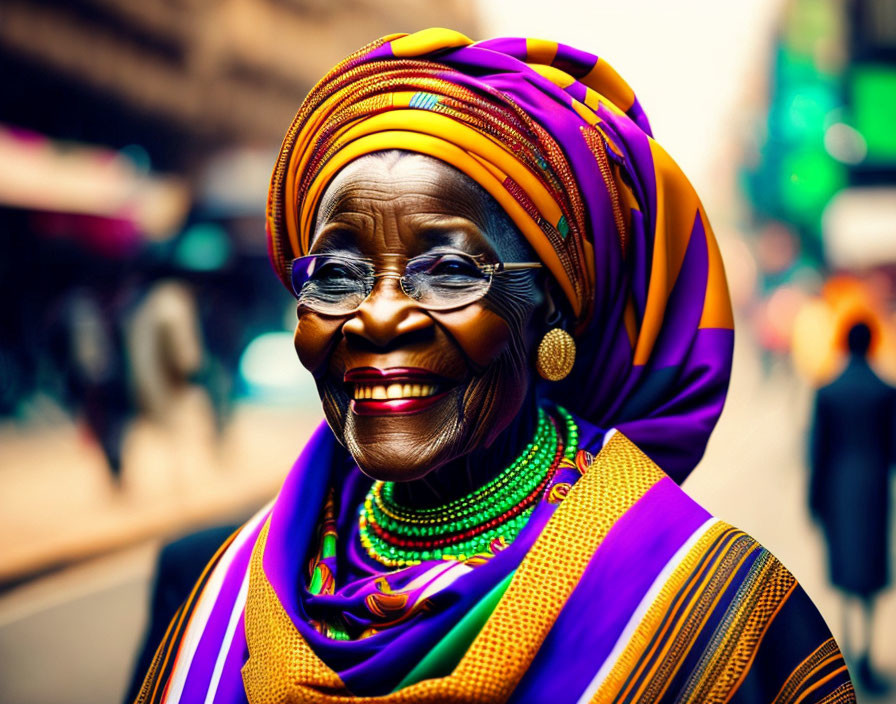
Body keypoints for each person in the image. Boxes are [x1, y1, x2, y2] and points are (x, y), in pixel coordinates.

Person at [133, 29, 854, 703]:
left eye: (448, 270)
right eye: (338, 273)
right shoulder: (206, 582)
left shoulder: (716, 612)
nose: (378, 318)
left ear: (554, 310)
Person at [810, 321, 896, 694]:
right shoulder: (885, 391)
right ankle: (866, 653)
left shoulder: (828, 391)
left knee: (844, 569)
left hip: (837, 487)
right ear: (872, 343)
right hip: (873, 486)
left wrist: (812, 498)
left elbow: (817, 451)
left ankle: (845, 642)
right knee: (871, 571)